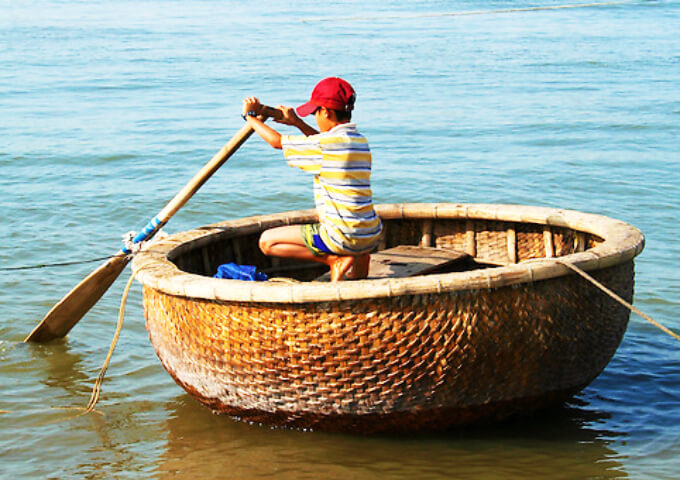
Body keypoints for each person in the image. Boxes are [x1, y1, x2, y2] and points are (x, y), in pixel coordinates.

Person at [242, 77, 382, 281]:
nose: (315, 117)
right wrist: (297, 123)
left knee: (267, 242)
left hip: (342, 235)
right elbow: (320, 142)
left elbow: (276, 141)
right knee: (356, 277)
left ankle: (334, 261)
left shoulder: (326, 146)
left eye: (315, 112)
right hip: (369, 233)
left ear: (326, 112)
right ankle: (358, 258)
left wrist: (250, 116)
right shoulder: (359, 141)